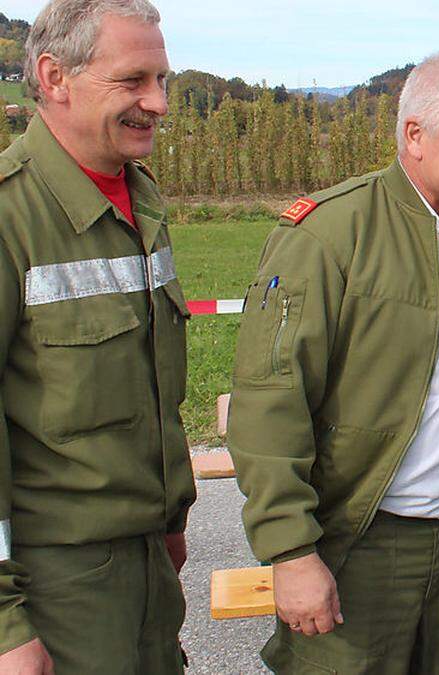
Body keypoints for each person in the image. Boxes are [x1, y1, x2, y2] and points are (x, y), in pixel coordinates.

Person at [228, 51, 439, 674]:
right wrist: (290, 553)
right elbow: (269, 404)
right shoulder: (330, 235)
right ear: (414, 137)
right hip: (356, 545)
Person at [0, 0, 193, 672]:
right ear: (54, 77)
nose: (158, 102)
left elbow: (153, 385)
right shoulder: (9, 215)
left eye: (162, 80)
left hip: (148, 565)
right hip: (56, 586)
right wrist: (3, 624)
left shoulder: (139, 200)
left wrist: (172, 517)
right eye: (133, 80)